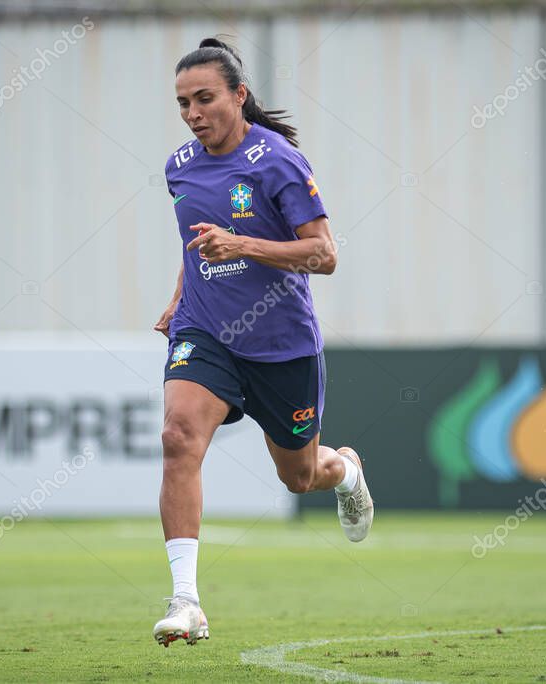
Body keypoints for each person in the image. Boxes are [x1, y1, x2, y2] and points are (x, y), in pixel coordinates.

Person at [151, 37, 373, 648]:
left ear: (239, 96)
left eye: (204, 99)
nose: (193, 114)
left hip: (280, 344)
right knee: (178, 439)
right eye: (182, 103)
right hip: (206, 331)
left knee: (301, 477)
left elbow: (324, 255)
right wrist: (178, 299)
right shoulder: (178, 166)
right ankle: (187, 601)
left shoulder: (278, 161)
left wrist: (243, 244)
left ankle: (347, 471)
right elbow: (197, 241)